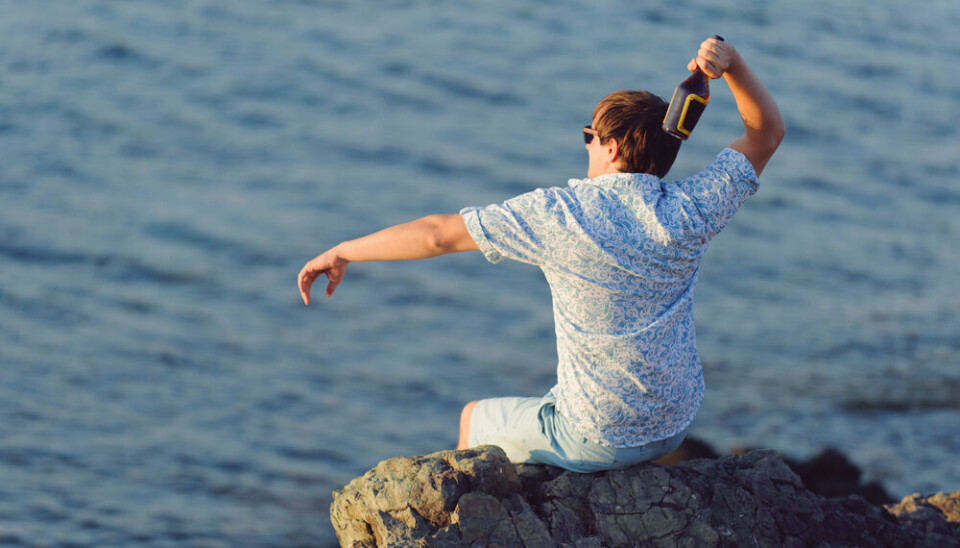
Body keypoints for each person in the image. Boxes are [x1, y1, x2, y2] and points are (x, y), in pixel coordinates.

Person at [297, 37, 784, 472]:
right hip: (674, 424)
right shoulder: (691, 209)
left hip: (598, 437)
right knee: (555, 400)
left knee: (475, 418)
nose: (586, 143)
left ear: (611, 148)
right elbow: (767, 134)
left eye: (589, 135)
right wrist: (734, 64)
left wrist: (344, 250)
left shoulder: (560, 215)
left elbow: (435, 236)